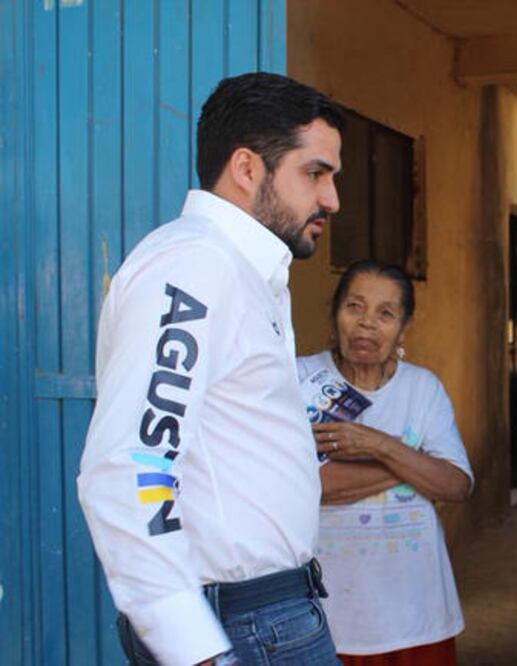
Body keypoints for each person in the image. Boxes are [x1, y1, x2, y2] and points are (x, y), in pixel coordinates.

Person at [78, 72, 345, 666]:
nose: (331, 200)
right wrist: (195, 650)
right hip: (244, 628)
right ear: (247, 168)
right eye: (314, 173)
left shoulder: (242, 270)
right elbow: (131, 465)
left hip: (265, 618)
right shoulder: (195, 267)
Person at [296, 259, 473, 666]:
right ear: (335, 313)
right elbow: (309, 485)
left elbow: (456, 484)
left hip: (416, 612)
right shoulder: (300, 381)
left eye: (385, 313)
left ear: (403, 328)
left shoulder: (422, 388)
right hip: (327, 613)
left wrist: (377, 444)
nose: (367, 324)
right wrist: (413, 464)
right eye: (354, 307)